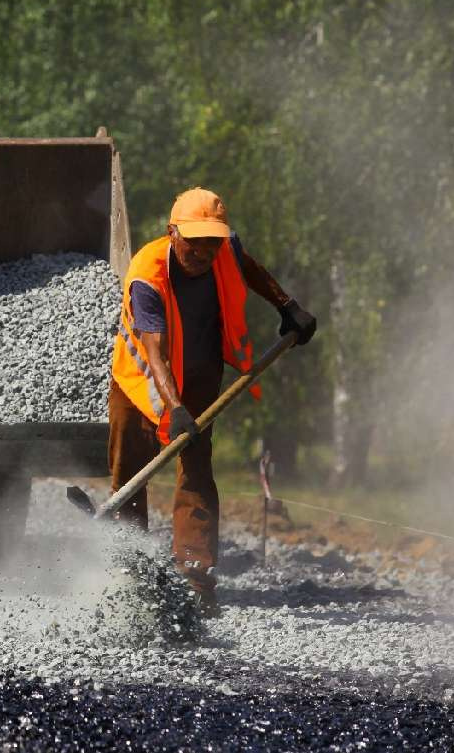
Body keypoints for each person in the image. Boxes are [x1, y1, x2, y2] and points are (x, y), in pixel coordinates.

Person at [108, 187, 316, 615]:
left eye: (212, 242)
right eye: (194, 242)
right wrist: (176, 408)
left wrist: (287, 305)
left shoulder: (224, 248)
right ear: (172, 232)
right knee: (130, 474)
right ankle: (131, 578)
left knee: (197, 470)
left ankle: (195, 582)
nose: (203, 252)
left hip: (201, 374)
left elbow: (249, 267)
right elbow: (153, 349)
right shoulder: (147, 274)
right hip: (141, 384)